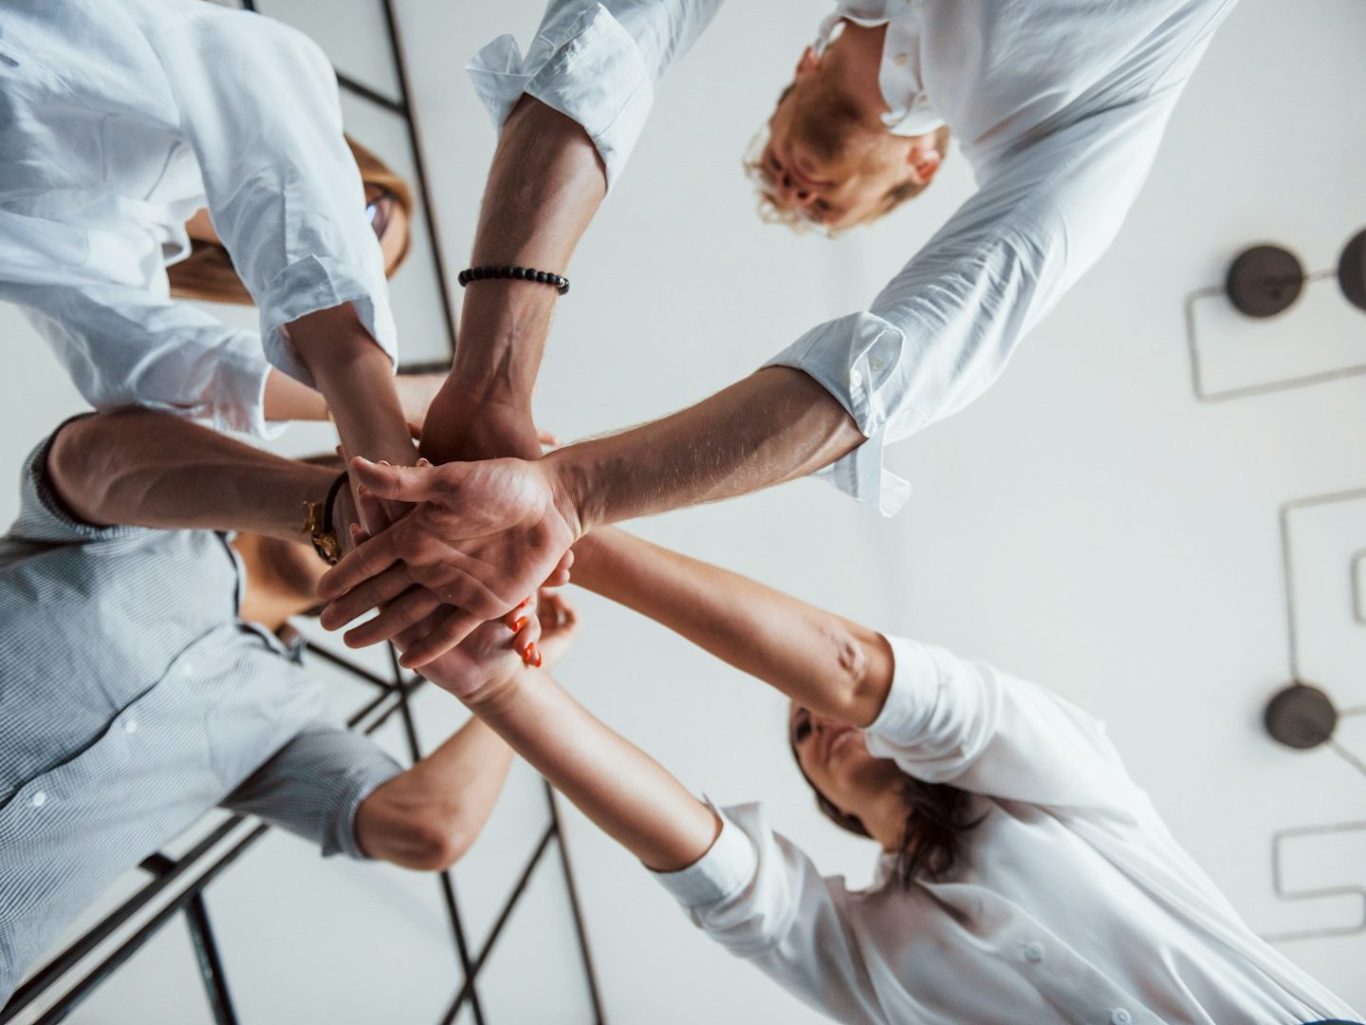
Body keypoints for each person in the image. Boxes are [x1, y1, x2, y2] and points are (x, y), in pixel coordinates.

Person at [315, 0, 1245, 662]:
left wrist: (561, 479)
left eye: (815, 201)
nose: (796, 186)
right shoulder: (1098, 105)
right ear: (802, 65)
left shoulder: (1082, 126)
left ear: (925, 171)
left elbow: (898, 368)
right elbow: (618, 31)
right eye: (793, 186)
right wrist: (497, 389)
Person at [404, 526, 1362, 1025]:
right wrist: (498, 687)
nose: (819, 715)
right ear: (829, 803)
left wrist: (564, 533)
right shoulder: (868, 955)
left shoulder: (1070, 794)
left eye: (814, 701)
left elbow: (859, 672)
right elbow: (722, 876)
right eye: (801, 731)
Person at [0, 410, 569, 1006]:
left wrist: (520, 674)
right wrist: (328, 505)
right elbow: (89, 455)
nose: (402, 526)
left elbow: (429, 827)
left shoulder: (286, 714)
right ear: (344, 456)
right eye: (407, 495)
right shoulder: (147, 520)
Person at [0, 0, 417, 472]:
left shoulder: (122, 251)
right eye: (370, 217)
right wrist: (371, 382)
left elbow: (152, 366)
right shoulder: (229, 76)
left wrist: (386, 401)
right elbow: (258, 92)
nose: (348, 250)